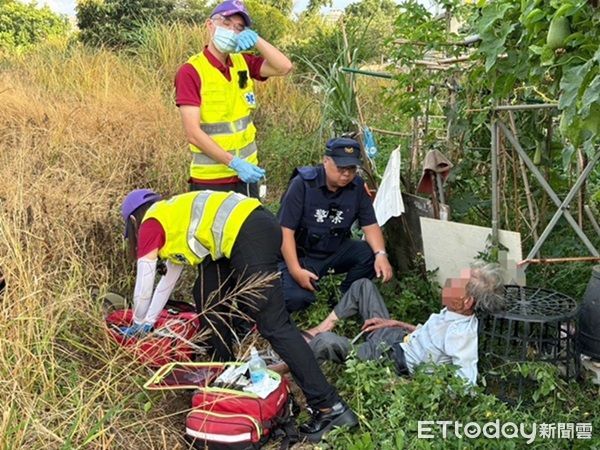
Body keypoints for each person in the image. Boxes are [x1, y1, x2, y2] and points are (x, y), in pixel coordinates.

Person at [119, 189, 358, 441]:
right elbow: (166, 283)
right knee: (207, 298)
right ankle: (225, 375)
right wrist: (146, 322)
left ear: (133, 222)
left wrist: (135, 323)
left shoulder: (150, 223)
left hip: (247, 230)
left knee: (273, 324)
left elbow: (145, 282)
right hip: (235, 236)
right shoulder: (170, 219)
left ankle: (329, 406)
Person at [292, 263, 505, 386]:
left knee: (325, 343)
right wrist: (395, 323)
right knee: (363, 287)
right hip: (396, 338)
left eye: (457, 284)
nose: (450, 283)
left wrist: (411, 385)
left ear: (466, 302)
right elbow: (429, 335)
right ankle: (323, 326)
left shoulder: (461, 335)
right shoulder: (452, 311)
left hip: (392, 361)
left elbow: (466, 382)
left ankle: (286, 366)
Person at [175, 0, 293, 198]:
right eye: (226, 24)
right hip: (211, 180)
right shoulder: (191, 71)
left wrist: (257, 40)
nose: (232, 31)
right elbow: (193, 133)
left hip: (246, 176)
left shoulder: (242, 62)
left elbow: (284, 67)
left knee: (249, 229)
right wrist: (233, 163)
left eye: (239, 28)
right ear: (210, 25)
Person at [278, 136, 394, 312]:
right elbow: (285, 232)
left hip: (333, 251)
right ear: (326, 161)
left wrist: (381, 254)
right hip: (301, 255)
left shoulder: (357, 188)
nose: (346, 174)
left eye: (351, 168)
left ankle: (342, 301)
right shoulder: (302, 185)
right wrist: (295, 270)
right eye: (341, 168)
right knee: (296, 299)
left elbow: (370, 225)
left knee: (369, 254)